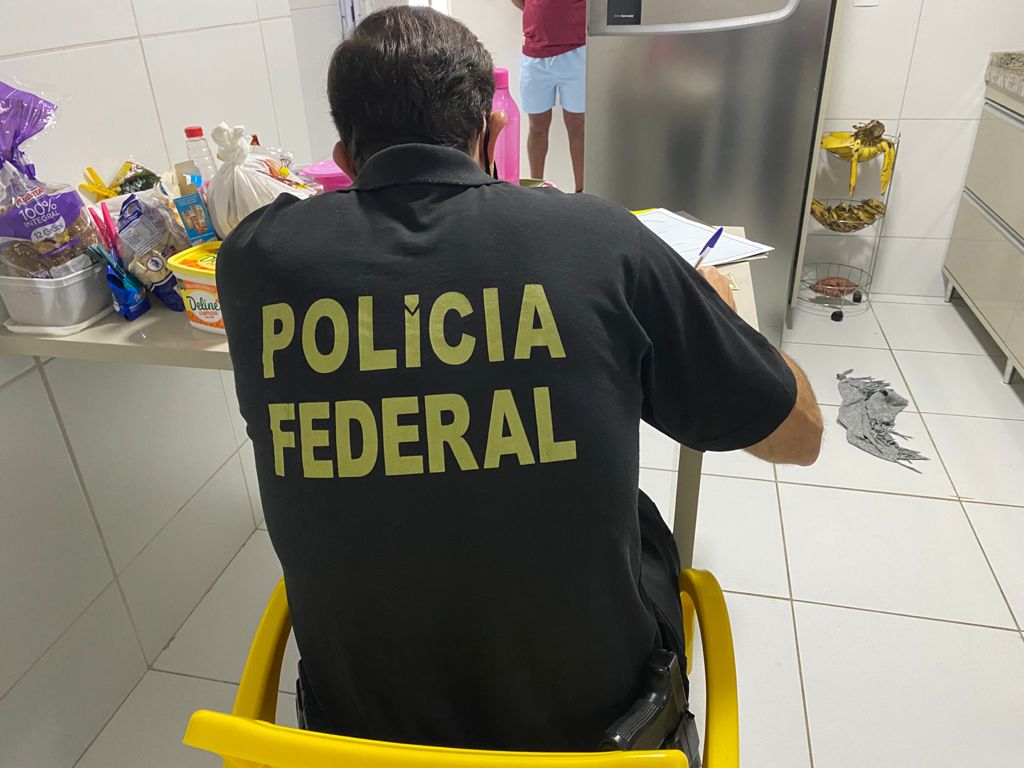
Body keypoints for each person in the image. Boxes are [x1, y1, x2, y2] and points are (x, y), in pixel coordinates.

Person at [218, 5, 823, 762]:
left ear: (343, 155)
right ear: (493, 130)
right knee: (634, 525)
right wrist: (717, 313)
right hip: (596, 739)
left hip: (351, 738)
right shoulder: (597, 240)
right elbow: (798, 436)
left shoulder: (255, 262)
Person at [511, 0, 587, 192]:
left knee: (578, 126)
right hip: (534, 52)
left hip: (577, 50)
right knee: (537, 126)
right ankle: (536, 191)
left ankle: (581, 193)